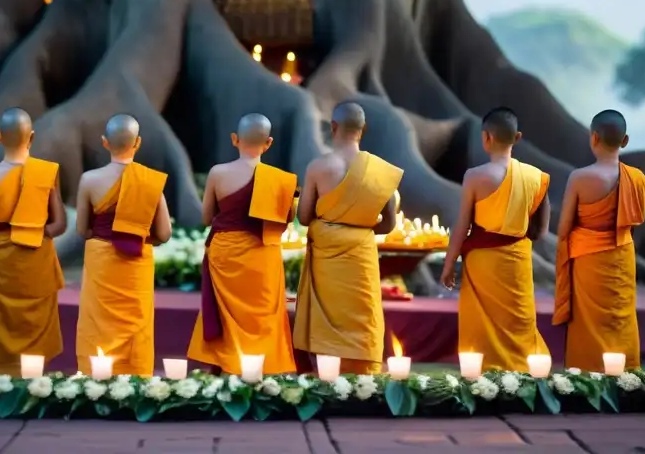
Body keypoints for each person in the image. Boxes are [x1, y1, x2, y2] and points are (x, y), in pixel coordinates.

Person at [293, 102, 402, 374]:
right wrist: (358, 228)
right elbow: (388, 223)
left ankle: (326, 371)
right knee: (361, 312)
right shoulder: (381, 170)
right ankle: (362, 372)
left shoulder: (319, 167)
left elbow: (304, 217)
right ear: (363, 130)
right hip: (361, 250)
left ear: (333, 127)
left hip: (326, 249)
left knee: (326, 313)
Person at [440, 107, 550, 371]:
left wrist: (448, 265)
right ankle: (522, 372)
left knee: (480, 323)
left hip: (483, 263)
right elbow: (541, 231)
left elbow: (462, 227)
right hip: (517, 260)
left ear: (485, 137)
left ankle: (481, 374)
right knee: (519, 321)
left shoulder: (475, 176)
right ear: (518, 137)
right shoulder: (536, 177)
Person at [187, 114, 298, 375]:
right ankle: (263, 368)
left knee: (226, 313)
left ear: (234, 139)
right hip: (262, 253)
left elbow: (206, 217)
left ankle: (226, 366)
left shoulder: (218, 173)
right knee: (262, 315)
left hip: (227, 251)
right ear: (268, 143)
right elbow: (288, 219)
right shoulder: (280, 180)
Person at [75, 114, 171, 375]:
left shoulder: (90, 180)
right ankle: (134, 376)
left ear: (105, 143)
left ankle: (95, 376)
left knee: (98, 322)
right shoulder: (150, 182)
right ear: (137, 143)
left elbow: (82, 229)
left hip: (101, 260)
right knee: (135, 323)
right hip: (136, 261)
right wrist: (135, 234)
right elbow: (163, 233)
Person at [553, 109, 645, 372]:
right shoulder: (638, 178)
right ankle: (625, 373)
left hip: (587, 258)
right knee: (620, 317)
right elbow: (634, 223)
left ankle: (587, 372)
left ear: (593, 137)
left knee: (588, 319)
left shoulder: (580, 178)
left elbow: (563, 229)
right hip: (621, 258)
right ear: (625, 140)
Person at [0, 108, 67, 373]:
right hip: (36, 255)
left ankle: (0, 377)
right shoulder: (46, 172)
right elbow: (59, 224)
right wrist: (34, 230)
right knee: (34, 324)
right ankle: (33, 378)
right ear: (32, 137)